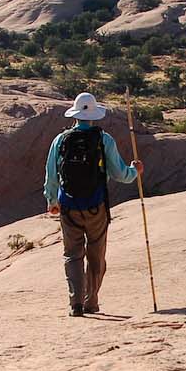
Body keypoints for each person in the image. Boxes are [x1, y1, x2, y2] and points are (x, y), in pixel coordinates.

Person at [44, 93, 143, 316]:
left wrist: (52, 201)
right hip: (96, 205)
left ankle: (75, 304)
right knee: (96, 254)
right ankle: (91, 301)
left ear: (75, 115)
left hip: (68, 206)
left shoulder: (60, 140)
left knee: (72, 254)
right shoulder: (103, 139)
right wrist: (134, 171)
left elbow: (51, 175)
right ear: (94, 115)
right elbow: (120, 175)